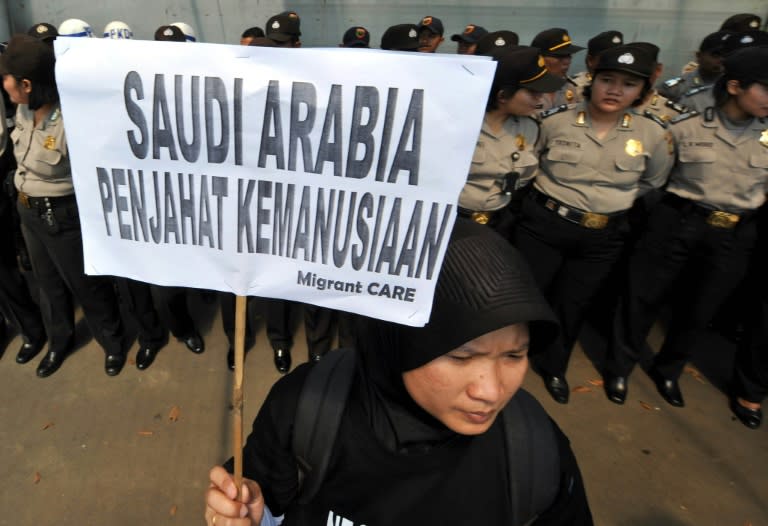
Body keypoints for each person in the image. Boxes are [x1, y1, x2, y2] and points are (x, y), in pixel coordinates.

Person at [204, 219, 593, 525]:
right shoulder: (307, 407)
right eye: (461, 357)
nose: (491, 391)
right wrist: (254, 517)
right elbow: (261, 499)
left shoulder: (535, 451)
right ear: (398, 341)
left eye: (514, 355)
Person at [604, 46, 768, 407]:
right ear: (737, 86)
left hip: (734, 233)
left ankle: (668, 370)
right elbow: (654, 178)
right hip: (677, 220)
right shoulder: (684, 127)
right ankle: (619, 368)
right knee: (642, 298)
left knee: (701, 307)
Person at [514, 45, 674, 404]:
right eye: (607, 80)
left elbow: (652, 182)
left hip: (604, 235)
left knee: (573, 303)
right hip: (544, 225)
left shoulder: (652, 134)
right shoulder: (554, 122)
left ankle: (554, 366)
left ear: (642, 92)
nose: (615, 90)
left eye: (628, 84)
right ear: (592, 81)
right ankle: (509, 358)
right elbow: (529, 166)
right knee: (526, 297)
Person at [1, 34, 128, 377]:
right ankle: (60, 342)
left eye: (7, 78)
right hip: (28, 211)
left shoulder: (71, 118)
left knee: (85, 284)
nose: (4, 84)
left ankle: (113, 343)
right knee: (47, 284)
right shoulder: (22, 108)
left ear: (26, 84)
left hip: (61, 214)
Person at [458, 46, 565, 240]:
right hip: (454, 220)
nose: (540, 98)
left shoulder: (530, 128)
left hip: (499, 223)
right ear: (503, 95)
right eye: (533, 92)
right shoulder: (458, 125)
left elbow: (523, 178)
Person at [657, 31, 732, 112]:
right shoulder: (676, 87)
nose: (721, 60)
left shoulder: (733, 88)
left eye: (726, 55)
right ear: (698, 56)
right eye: (715, 55)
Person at [531, 28, 585, 110]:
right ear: (539, 58)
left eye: (569, 55)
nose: (567, 61)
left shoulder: (569, 88)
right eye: (559, 56)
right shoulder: (523, 92)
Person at [571, 30, 624, 95]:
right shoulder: (573, 88)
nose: (615, 62)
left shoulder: (628, 86)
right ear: (590, 60)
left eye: (619, 57)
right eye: (607, 58)